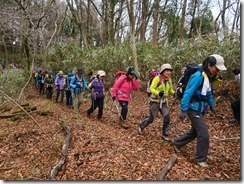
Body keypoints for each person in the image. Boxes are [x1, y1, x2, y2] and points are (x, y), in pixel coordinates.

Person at [171, 54, 227, 169]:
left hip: (201, 109)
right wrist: (183, 110)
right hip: (193, 108)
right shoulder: (198, 76)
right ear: (209, 65)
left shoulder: (208, 77)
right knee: (204, 133)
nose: (217, 71)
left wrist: (212, 105)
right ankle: (200, 159)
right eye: (216, 68)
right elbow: (188, 92)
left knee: (195, 131)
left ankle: (177, 143)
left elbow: (208, 92)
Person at [138, 64, 175, 141]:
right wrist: (158, 93)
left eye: (169, 71)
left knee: (167, 118)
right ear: (163, 71)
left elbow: (170, 90)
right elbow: (151, 89)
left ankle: (164, 134)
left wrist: (174, 93)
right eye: (167, 70)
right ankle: (141, 126)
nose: (168, 72)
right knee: (151, 119)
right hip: (155, 101)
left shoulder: (169, 80)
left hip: (164, 102)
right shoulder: (157, 79)